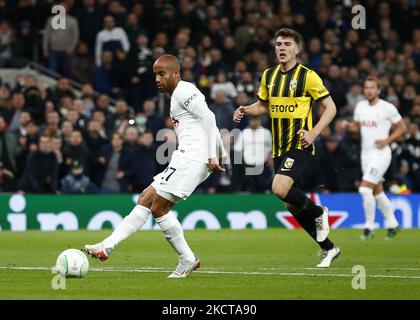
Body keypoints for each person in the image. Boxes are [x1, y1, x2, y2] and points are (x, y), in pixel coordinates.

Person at [84, 54, 226, 278]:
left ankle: (187, 260)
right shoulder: (177, 95)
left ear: (175, 74)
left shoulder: (183, 91)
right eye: (155, 75)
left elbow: (209, 118)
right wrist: (217, 154)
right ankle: (106, 245)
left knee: (159, 208)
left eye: (162, 74)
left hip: (193, 157)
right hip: (188, 156)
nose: (158, 79)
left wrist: (212, 156)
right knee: (145, 199)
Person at [233, 28, 340, 268]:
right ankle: (329, 248)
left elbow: (331, 108)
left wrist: (313, 133)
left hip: (300, 145)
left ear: (297, 49)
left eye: (287, 44)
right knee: (291, 203)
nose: (282, 48)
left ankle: (319, 213)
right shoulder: (269, 76)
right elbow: (263, 106)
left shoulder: (308, 76)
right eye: (279, 44)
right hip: (280, 148)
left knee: (279, 188)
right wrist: (244, 109)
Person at [342, 76, 407, 240]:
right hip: (366, 154)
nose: (369, 90)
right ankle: (393, 225)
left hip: (381, 154)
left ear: (378, 90)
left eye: (372, 87)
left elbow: (402, 128)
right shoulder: (361, 107)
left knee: (364, 189)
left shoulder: (388, 108)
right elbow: (357, 127)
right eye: (367, 87)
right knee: (377, 192)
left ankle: (369, 227)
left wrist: (387, 140)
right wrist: (348, 126)